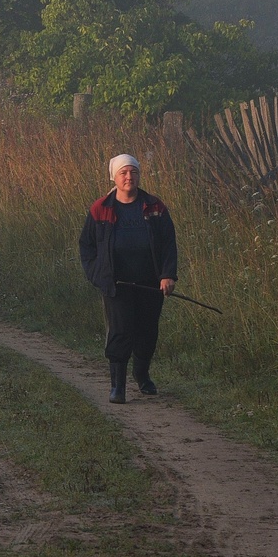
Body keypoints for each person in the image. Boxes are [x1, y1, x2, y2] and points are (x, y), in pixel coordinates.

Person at [78, 153, 178, 404]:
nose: (129, 177)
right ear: (114, 176)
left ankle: (142, 375)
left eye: (133, 172)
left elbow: (168, 244)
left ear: (139, 175)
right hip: (117, 284)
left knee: (147, 331)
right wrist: (97, 274)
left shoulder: (155, 207)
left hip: (150, 283)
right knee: (120, 332)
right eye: (123, 172)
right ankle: (117, 386)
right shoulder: (100, 209)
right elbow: (87, 246)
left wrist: (167, 275)